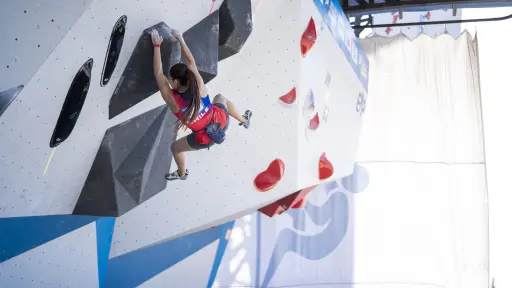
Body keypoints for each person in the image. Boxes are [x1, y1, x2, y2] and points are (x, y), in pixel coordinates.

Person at [151, 28, 252, 181]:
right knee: (220, 98)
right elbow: (190, 62)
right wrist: (180, 38)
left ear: (176, 82)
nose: (170, 82)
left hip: (205, 138)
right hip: (220, 121)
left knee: (175, 148)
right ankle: (244, 120)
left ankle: (183, 173)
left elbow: (158, 73)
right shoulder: (199, 84)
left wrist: (157, 46)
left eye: (171, 80)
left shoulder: (173, 100)